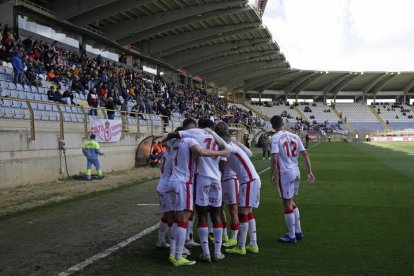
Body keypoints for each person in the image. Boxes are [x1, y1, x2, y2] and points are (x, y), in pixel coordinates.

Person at [168, 124, 230, 266]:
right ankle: (218, 252)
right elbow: (224, 157)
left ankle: (205, 253)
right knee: (216, 214)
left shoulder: (191, 135)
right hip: (216, 178)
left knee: (200, 215)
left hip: (200, 178)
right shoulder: (216, 139)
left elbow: (173, 136)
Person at [269, 115, 315, 243]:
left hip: (285, 173)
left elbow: (274, 158)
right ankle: (298, 232)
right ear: (283, 123)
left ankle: (291, 235)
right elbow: (305, 154)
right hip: (296, 171)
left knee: (286, 203)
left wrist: (271, 174)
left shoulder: (275, 137)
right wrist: (310, 172)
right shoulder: (295, 136)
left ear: (272, 126)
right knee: (291, 201)